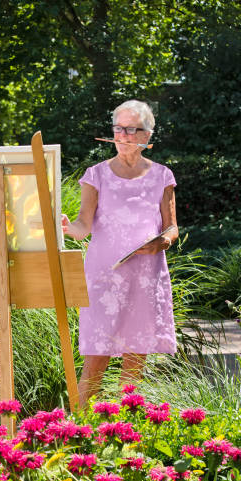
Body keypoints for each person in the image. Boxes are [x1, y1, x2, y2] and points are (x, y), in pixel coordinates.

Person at [62, 99, 178, 406]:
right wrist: (66, 226)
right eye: (118, 128)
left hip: (144, 274)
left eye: (131, 129)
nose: (123, 135)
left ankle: (126, 427)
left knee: (135, 354)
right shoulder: (96, 174)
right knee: (96, 351)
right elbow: (84, 225)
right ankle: (81, 426)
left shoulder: (162, 176)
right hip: (104, 275)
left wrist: (162, 242)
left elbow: (171, 228)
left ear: (146, 136)